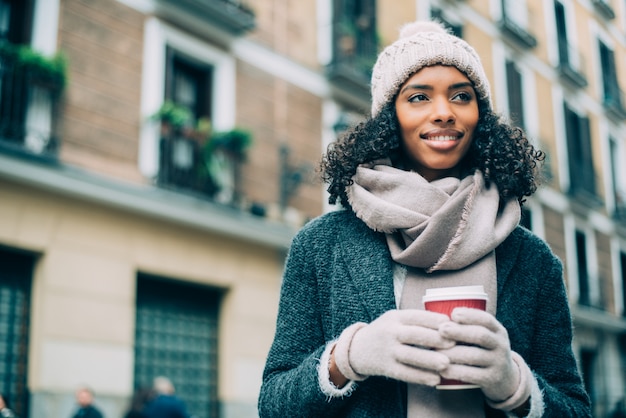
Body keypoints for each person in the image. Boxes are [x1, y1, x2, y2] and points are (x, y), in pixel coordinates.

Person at [258, 20, 591, 417]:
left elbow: (575, 408)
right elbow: (273, 403)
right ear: (390, 117)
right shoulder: (320, 245)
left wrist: (516, 385)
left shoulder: (532, 258)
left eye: (461, 97)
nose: (444, 113)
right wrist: (347, 358)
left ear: (479, 116)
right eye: (418, 97)